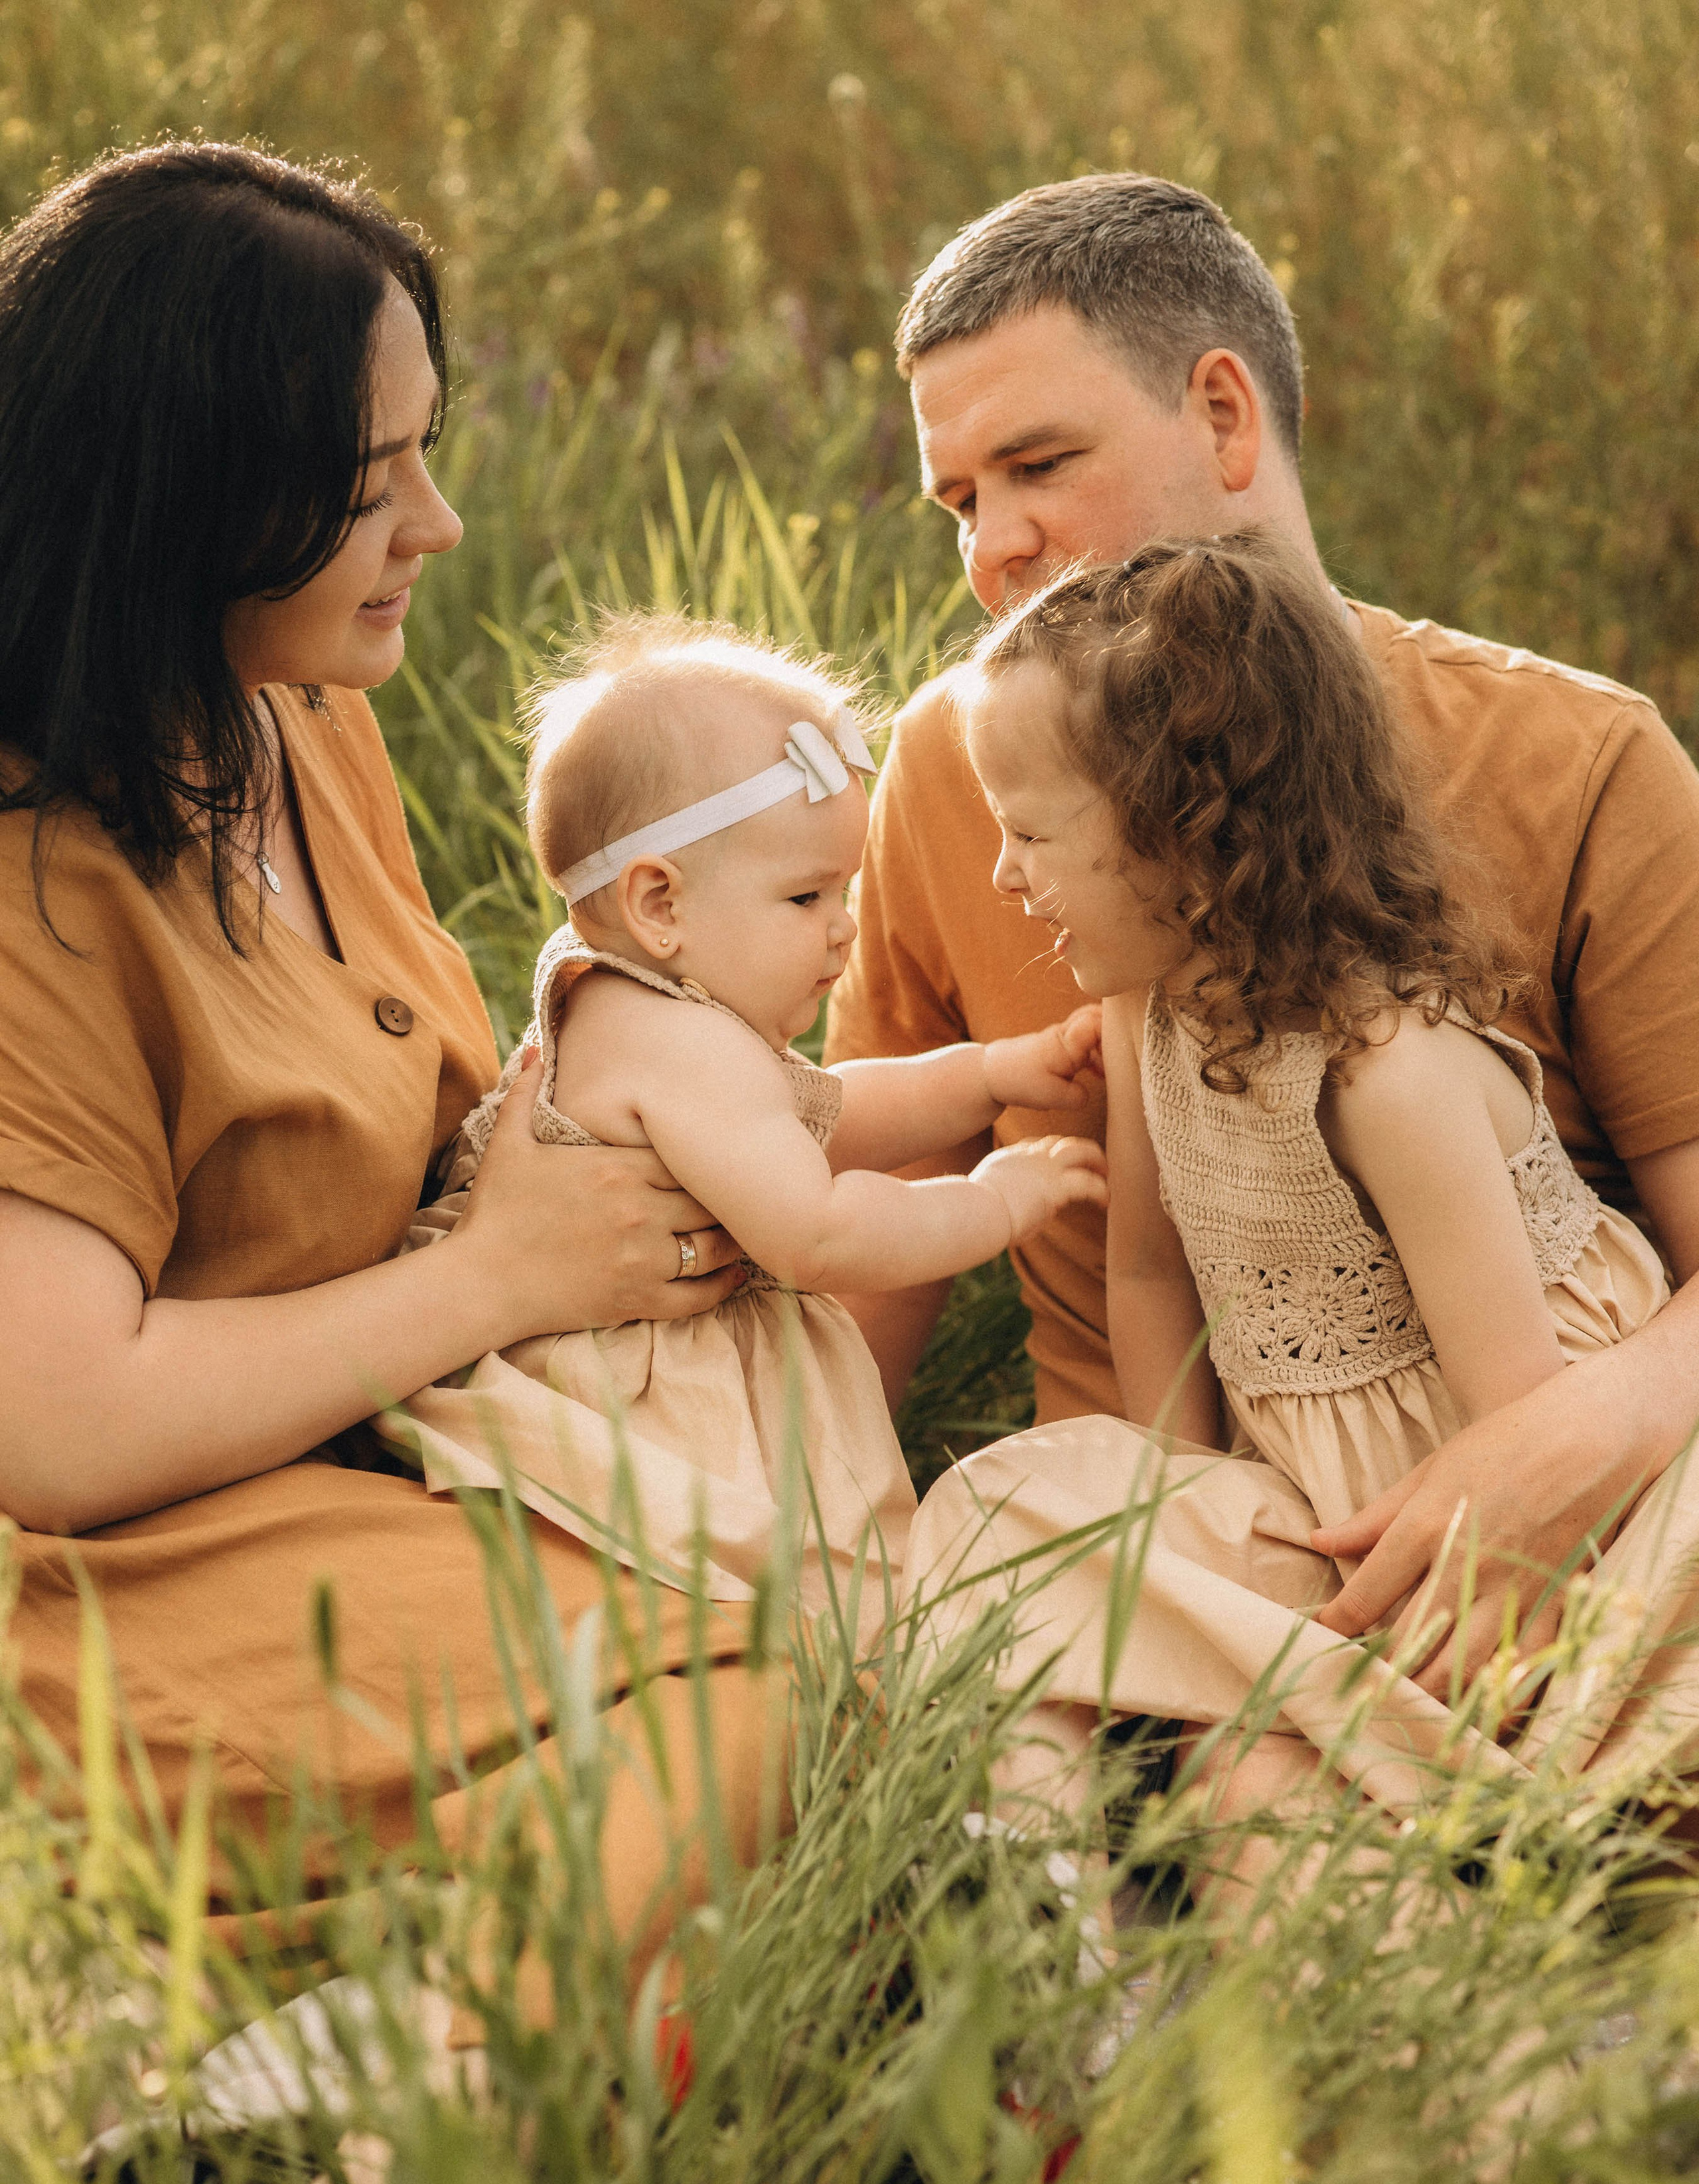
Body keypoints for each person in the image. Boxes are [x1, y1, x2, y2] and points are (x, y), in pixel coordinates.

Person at [0, 143, 786, 1966]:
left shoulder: (296, 718)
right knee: (743, 1702)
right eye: (372, 483)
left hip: (379, 1477)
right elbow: (56, 1426)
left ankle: (356, 1994)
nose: (434, 522)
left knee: (818, 1657)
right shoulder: (38, 885)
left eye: (426, 448)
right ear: (193, 504)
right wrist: (501, 1273)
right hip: (114, 1574)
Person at [826, 171, 1699, 1694]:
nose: (992, 549)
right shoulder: (943, 775)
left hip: (1554, 1511)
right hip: (1186, 1572)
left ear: (1223, 416)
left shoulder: (1576, 757)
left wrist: (1585, 1430)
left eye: (1038, 464)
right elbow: (867, 1240)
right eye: (959, 501)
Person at [900, 538, 1699, 1886]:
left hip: (1528, 1538)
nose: (1000, 878)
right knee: (995, 1518)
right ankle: (1038, 1910)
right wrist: (1182, 1507)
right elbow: (1151, 1280)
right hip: (1321, 1509)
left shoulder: (1385, 1073)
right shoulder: (1144, 1004)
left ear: (1186, 839)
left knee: (1292, 1788)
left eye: (1030, 834)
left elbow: (1523, 1453)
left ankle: (1476, 1795)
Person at [388, 615, 1106, 1625]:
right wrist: (992, 1201)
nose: (844, 925)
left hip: (645, 1375)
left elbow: (830, 1110)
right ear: (660, 904)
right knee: (803, 1610)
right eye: (807, 894)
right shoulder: (678, 1044)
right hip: (657, 1420)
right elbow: (817, 1230)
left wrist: (990, 1075)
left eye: (846, 888)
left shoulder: (653, 1010)